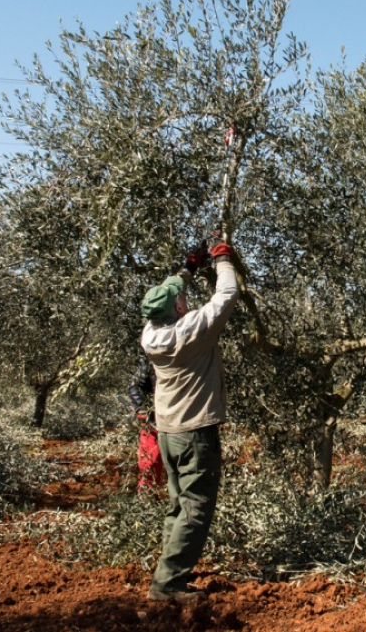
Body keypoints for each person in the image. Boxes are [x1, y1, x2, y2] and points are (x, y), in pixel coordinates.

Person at [140, 236, 239, 603]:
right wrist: (222, 259)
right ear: (178, 308)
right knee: (195, 510)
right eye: (180, 298)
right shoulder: (189, 333)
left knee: (178, 506)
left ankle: (170, 572)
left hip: (168, 431)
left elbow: (168, 294)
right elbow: (226, 296)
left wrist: (188, 267)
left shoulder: (151, 332)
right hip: (195, 432)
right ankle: (167, 586)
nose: (184, 299)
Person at [123, 357, 164, 492]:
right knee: (151, 461)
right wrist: (143, 408)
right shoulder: (151, 360)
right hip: (153, 419)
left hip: (180, 418)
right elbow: (133, 387)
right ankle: (147, 497)